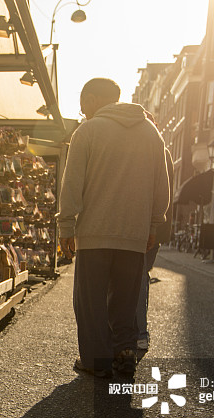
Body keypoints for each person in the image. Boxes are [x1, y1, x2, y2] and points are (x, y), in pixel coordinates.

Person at [58, 78, 170, 378]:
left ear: (94, 100)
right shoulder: (151, 133)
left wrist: (66, 225)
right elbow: (162, 184)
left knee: (90, 302)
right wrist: (153, 223)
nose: (83, 114)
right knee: (125, 299)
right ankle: (124, 349)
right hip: (134, 235)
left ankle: (96, 361)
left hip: (94, 234)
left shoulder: (88, 131)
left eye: (84, 107)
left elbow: (72, 185)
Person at [136, 146, 174, 354]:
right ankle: (139, 333)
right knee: (141, 276)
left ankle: (139, 333)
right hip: (157, 229)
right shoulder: (163, 152)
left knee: (138, 277)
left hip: (146, 228)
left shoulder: (151, 151)